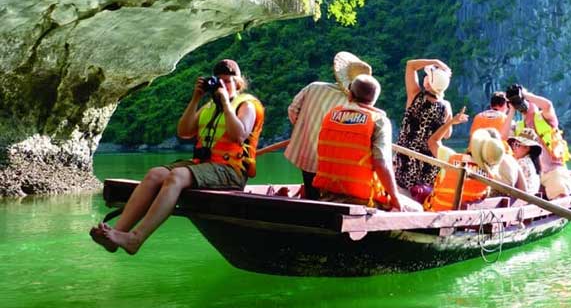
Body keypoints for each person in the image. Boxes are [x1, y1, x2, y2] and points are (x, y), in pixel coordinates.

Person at [90, 59, 264, 254]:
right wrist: (195, 98)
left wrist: (225, 103)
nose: (223, 85)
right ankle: (117, 235)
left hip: (230, 171)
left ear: (238, 83)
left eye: (228, 81)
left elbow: (239, 135)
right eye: (219, 81)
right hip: (203, 166)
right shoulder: (208, 107)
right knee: (155, 174)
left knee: (177, 176)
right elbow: (184, 131)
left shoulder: (247, 105)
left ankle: (136, 238)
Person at [313, 74, 422, 212]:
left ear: (350, 95)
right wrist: (395, 199)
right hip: (362, 199)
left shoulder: (330, 115)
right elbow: (381, 164)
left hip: (327, 194)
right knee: (417, 209)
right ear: (374, 99)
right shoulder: (378, 121)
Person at [285, 51, 372, 200]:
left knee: (311, 195)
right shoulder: (358, 105)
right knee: (330, 198)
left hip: (307, 155)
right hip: (336, 163)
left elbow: (293, 111)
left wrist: (306, 130)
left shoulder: (314, 88)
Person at [393, 59, 454, 194]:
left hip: (405, 162)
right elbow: (447, 134)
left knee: (404, 193)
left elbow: (410, 65)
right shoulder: (446, 108)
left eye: (427, 76)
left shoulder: (414, 96)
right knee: (422, 197)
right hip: (428, 166)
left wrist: (436, 61)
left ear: (427, 83)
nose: (425, 77)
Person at [503, 84, 571, 199]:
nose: (523, 105)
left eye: (525, 102)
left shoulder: (544, 118)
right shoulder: (520, 126)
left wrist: (525, 95)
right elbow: (504, 136)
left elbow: (547, 105)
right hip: (533, 174)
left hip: (553, 171)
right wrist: (511, 110)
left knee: (560, 198)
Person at [507, 128, 543, 195]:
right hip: (529, 200)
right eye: (513, 144)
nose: (514, 148)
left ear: (527, 148)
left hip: (522, 200)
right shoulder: (532, 163)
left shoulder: (522, 162)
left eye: (517, 145)